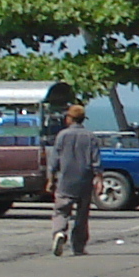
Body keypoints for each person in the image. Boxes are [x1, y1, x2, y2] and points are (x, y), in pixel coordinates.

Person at [47, 104, 105, 257]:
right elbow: (96, 161)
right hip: (84, 180)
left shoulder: (62, 135)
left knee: (61, 210)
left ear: (70, 119)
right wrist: (99, 179)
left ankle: (59, 232)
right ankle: (78, 246)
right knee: (82, 214)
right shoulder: (90, 136)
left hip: (65, 180)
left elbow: (54, 160)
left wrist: (51, 179)